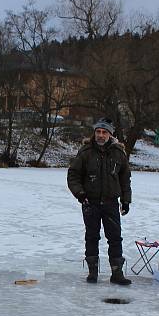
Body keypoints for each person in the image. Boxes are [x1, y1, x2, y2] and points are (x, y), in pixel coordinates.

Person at [67, 117, 132, 285]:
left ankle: (117, 274)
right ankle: (92, 273)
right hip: (91, 202)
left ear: (110, 134)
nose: (100, 135)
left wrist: (126, 201)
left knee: (115, 238)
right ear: (94, 133)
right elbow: (73, 175)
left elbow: (125, 179)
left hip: (111, 202)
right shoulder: (85, 152)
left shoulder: (119, 153)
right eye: (98, 132)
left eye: (104, 132)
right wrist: (80, 194)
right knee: (92, 237)